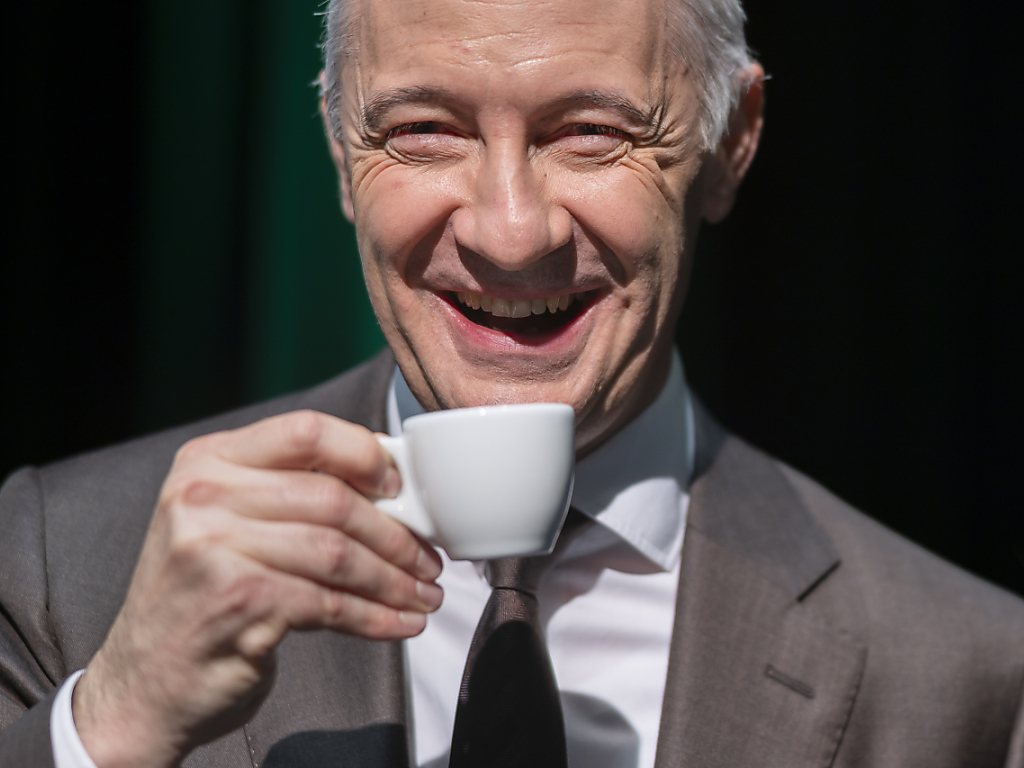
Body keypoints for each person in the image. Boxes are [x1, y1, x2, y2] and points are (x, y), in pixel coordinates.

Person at [2, 0, 1023, 766]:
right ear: (337, 147)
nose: (511, 232)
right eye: (423, 130)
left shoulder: (969, 676)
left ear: (730, 141)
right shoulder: (59, 567)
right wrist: (112, 727)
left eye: (590, 132)